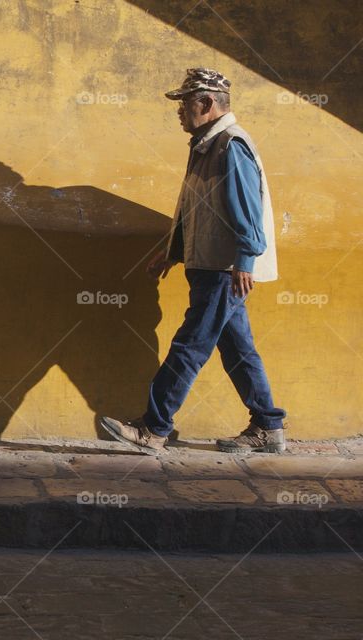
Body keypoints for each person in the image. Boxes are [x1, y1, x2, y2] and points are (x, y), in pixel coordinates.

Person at [101, 68, 286, 455]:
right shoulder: (207, 144)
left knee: (191, 344)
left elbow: (246, 212)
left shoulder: (231, 145)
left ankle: (154, 428)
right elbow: (195, 206)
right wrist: (172, 253)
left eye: (185, 103)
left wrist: (244, 261)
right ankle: (268, 425)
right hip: (210, 264)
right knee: (237, 349)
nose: (180, 112)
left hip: (223, 268)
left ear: (206, 103)